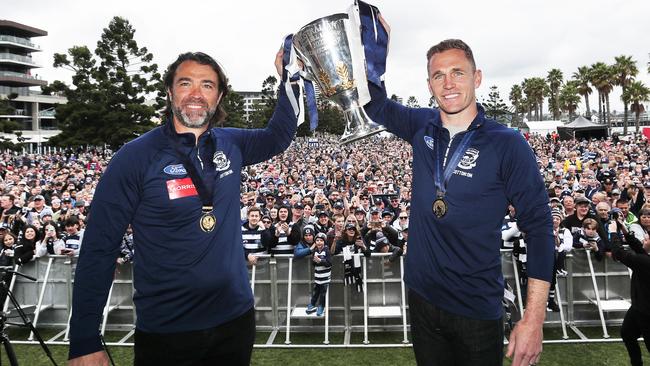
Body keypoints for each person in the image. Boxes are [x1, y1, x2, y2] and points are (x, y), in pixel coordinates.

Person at [68, 51, 299, 365]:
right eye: (185, 83)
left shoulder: (232, 143)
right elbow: (98, 248)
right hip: (167, 332)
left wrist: (289, 79)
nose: (195, 94)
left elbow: (278, 136)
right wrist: (84, 340)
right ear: (169, 92)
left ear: (218, 97)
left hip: (235, 322)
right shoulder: (133, 158)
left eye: (207, 85)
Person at [363, 37, 554, 366]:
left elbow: (539, 228)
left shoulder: (507, 144)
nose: (448, 83)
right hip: (422, 298)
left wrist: (534, 319)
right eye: (438, 75)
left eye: (458, 73)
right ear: (429, 84)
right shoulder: (421, 124)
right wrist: (373, 50)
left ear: (477, 77)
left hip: (475, 309)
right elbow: (374, 105)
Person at [608, 219, 650, 366]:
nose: (645, 238)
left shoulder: (645, 263)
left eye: (648, 238)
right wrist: (625, 232)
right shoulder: (646, 258)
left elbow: (619, 253)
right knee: (627, 333)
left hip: (647, 312)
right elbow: (640, 249)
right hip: (639, 307)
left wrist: (612, 232)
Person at [305, 232, 331, 316]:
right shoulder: (315, 251)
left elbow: (329, 263)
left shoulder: (326, 250)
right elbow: (313, 263)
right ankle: (312, 304)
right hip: (317, 277)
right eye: (317, 240)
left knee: (323, 293)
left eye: (321, 240)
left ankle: (321, 306)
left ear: (324, 242)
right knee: (316, 291)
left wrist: (320, 261)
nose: (319, 242)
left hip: (325, 277)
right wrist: (315, 261)